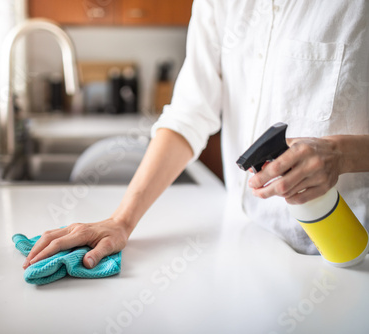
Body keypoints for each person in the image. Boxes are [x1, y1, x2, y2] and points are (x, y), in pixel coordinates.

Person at [23, 0, 369, 270]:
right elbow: (190, 113)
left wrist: (342, 153)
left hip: (355, 252)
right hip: (248, 242)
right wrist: (121, 221)